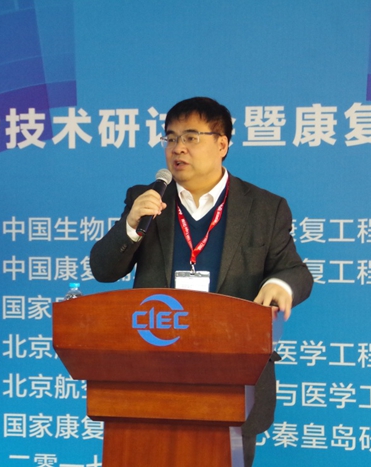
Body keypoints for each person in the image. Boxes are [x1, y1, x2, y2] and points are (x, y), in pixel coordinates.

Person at [89, 96, 313, 466]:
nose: (178, 148)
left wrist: (281, 285)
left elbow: (296, 271)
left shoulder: (264, 207)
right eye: (170, 138)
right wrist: (130, 226)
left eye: (191, 137)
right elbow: (103, 269)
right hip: (151, 379)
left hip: (232, 381)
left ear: (222, 144)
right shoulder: (147, 200)